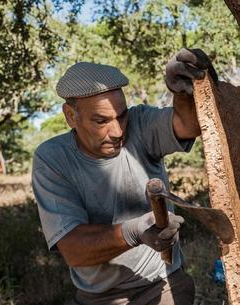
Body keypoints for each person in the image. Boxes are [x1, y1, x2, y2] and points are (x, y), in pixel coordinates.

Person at [31, 48, 217, 305]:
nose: (118, 131)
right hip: (97, 297)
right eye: (101, 121)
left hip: (161, 284)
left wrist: (182, 91)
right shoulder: (52, 159)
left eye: (122, 116)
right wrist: (134, 231)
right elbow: (73, 250)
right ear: (71, 116)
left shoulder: (141, 124)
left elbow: (190, 125)